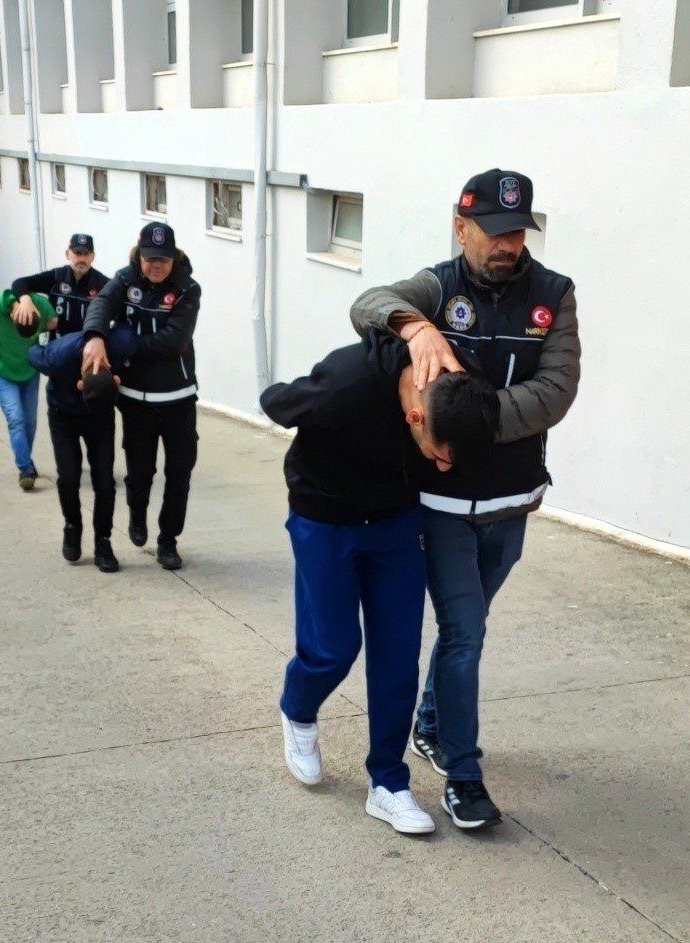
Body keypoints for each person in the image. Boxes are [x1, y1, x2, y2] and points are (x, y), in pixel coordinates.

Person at [350, 168, 581, 830]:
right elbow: (368, 303)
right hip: (444, 505)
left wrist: (465, 419)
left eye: (518, 232)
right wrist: (414, 327)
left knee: (468, 628)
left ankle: (430, 722)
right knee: (464, 632)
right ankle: (464, 774)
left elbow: (556, 390)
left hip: (512, 503)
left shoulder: (554, 295)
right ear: (461, 227)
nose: (508, 245)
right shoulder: (438, 286)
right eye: (494, 232)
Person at [260, 329, 501, 836]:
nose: (443, 467)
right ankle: (298, 709)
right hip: (325, 521)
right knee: (332, 649)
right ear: (415, 417)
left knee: (397, 656)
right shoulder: (345, 383)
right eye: (440, 455)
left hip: (396, 524)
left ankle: (388, 783)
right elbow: (276, 402)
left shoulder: (462, 383)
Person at [81, 222, 201, 570]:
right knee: (139, 473)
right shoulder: (125, 279)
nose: (156, 266)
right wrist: (96, 336)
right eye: (150, 259)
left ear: (174, 257)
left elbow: (174, 341)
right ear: (139, 256)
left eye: (163, 259)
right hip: (135, 400)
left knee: (179, 474)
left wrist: (122, 346)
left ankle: (168, 541)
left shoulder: (188, 289)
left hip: (178, 398)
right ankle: (137, 514)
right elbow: (101, 305)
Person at [28, 326, 139, 573]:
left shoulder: (121, 345)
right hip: (63, 413)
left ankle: (103, 541)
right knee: (68, 476)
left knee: (104, 480)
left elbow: (128, 329)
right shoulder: (56, 356)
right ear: (80, 384)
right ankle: (72, 526)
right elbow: (32, 352)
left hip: (101, 416)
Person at [0, 290, 57, 489]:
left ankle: (25, 459)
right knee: (16, 418)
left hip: (30, 372)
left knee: (30, 422)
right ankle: (25, 469)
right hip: (3, 373)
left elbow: (53, 322)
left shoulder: (41, 305)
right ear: (12, 316)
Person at [11, 233, 108, 337]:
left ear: (93, 256)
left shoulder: (103, 283)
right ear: (67, 254)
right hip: (56, 343)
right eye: (78, 253)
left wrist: (60, 324)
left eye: (86, 254)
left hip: (86, 342)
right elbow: (19, 283)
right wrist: (25, 301)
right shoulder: (57, 276)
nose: (82, 259)